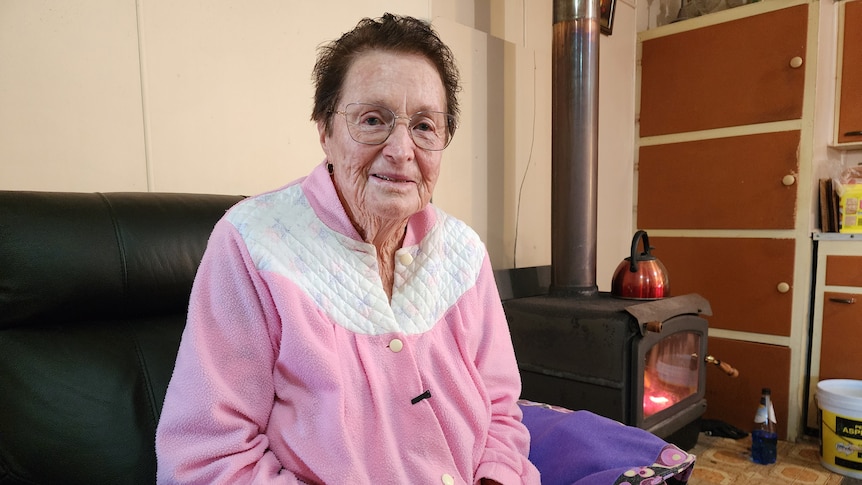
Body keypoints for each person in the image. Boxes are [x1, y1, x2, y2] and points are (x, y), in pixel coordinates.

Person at [156, 13, 540, 485]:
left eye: (424, 126)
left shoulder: (462, 252)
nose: (401, 150)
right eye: (373, 120)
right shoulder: (253, 245)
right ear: (325, 130)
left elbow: (501, 409)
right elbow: (209, 459)